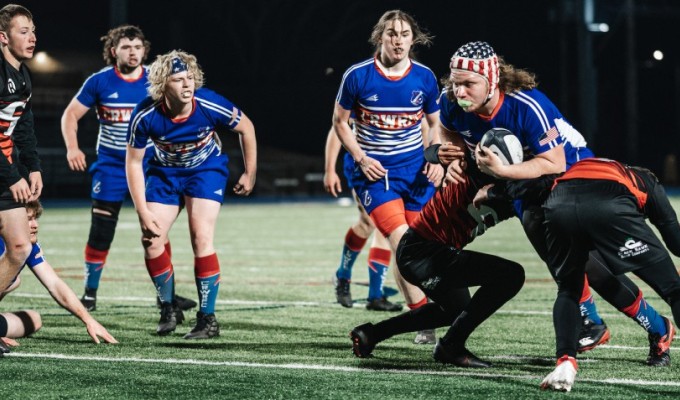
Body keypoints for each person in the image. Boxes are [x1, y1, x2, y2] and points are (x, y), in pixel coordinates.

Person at [438, 40, 661, 353]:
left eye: (469, 84)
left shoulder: (527, 105)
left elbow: (553, 163)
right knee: (562, 262)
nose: (459, 92)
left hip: (572, 177)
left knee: (592, 266)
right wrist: (453, 158)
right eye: (455, 83)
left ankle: (652, 325)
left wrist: (498, 180)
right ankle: (600, 322)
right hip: (524, 185)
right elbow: (445, 131)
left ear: (492, 82)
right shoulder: (450, 100)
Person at [332, 9, 448, 343]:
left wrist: (436, 157)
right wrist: (360, 156)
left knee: (419, 246)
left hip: (416, 173)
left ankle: (424, 312)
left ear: (414, 39)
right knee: (402, 243)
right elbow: (339, 123)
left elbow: (434, 123)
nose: (398, 41)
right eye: (392, 34)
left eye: (405, 34)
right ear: (380, 37)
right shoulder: (358, 76)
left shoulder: (424, 77)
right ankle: (424, 319)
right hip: (375, 175)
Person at [60, 25, 195, 313]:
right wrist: (72, 147)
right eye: (126, 47)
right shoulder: (100, 82)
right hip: (111, 165)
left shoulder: (156, 81)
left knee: (157, 230)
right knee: (101, 229)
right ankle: (90, 294)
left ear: (145, 51)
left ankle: (166, 297)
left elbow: (182, 112)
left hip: (150, 166)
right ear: (113, 51)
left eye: (137, 47)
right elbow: (71, 114)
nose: (132, 52)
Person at [126, 50, 257, 339]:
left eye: (189, 78)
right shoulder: (145, 114)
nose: (187, 85)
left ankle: (208, 319)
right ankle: (169, 306)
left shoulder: (208, 102)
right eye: (177, 80)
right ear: (162, 85)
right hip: (164, 173)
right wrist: (142, 212)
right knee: (151, 240)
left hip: (205, 170)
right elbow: (133, 163)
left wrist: (250, 173)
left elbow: (246, 128)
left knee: (201, 237)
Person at [350, 151, 524, 367]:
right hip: (424, 252)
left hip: (430, 251)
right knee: (512, 275)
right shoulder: (472, 169)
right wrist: (440, 154)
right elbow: (439, 150)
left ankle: (372, 334)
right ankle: (451, 346)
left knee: (456, 310)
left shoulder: (511, 185)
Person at [535, 158, 679, 391]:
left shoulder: (580, 167)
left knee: (569, 290)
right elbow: (675, 242)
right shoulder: (647, 181)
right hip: (609, 206)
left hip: (557, 205)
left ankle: (565, 362)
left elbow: (539, 185)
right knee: (674, 289)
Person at [0, 201, 118, 354]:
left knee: (34, 319)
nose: (35, 225)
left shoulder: (28, 246)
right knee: (14, 281)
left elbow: (54, 284)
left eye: (35, 218)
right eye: (28, 219)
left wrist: (89, 321)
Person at [324, 126, 401, 312]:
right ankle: (343, 275)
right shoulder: (362, 95)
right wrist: (329, 170)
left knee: (385, 227)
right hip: (364, 166)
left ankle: (375, 296)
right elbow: (337, 127)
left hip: (397, 166)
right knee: (371, 222)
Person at [0, 4, 42, 297]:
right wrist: (13, 176)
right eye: (23, 31)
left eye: (33, 31)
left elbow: (24, 127)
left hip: (6, 171)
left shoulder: (23, 75)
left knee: (20, 248)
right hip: (5, 173)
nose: (32, 38)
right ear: (3, 37)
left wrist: (33, 167)